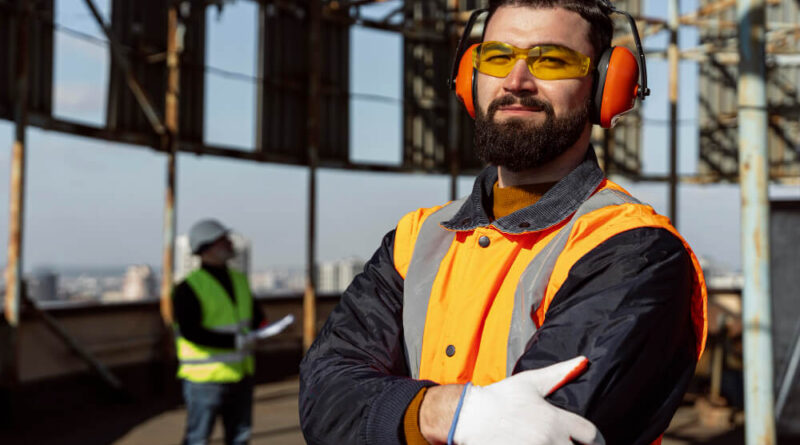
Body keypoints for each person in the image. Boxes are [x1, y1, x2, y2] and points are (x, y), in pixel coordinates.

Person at [299, 1, 707, 445]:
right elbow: (324, 393)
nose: (516, 81)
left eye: (551, 60)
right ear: (468, 79)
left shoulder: (634, 250)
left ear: (605, 86)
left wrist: (394, 416)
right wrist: (440, 413)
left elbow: (541, 430)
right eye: (496, 57)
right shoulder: (416, 238)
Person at [173, 219, 266, 445]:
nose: (230, 243)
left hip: (240, 373)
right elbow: (191, 332)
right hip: (205, 379)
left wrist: (263, 328)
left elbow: (255, 316)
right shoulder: (188, 288)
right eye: (223, 240)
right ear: (206, 247)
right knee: (198, 438)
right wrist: (235, 341)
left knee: (240, 436)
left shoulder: (239, 280)